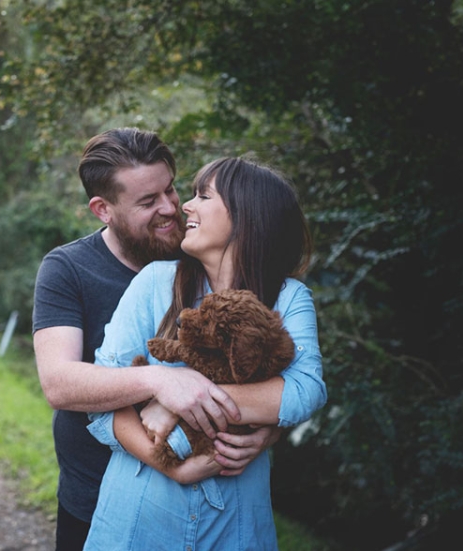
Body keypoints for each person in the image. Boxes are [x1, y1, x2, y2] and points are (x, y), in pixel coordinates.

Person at [32, 129, 282, 550]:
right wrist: (161, 381)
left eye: (170, 189)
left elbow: (266, 364)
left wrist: (268, 432)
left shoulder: (204, 251)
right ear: (103, 209)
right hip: (93, 498)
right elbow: (59, 383)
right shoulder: (68, 269)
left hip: (210, 506)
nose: (170, 208)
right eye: (148, 201)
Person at [82, 156, 328, 550]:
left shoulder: (289, 298)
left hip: (235, 526)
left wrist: (178, 402)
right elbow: (103, 398)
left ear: (247, 216)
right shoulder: (154, 282)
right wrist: (169, 464)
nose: (186, 206)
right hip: (138, 519)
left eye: (204, 196)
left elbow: (304, 392)